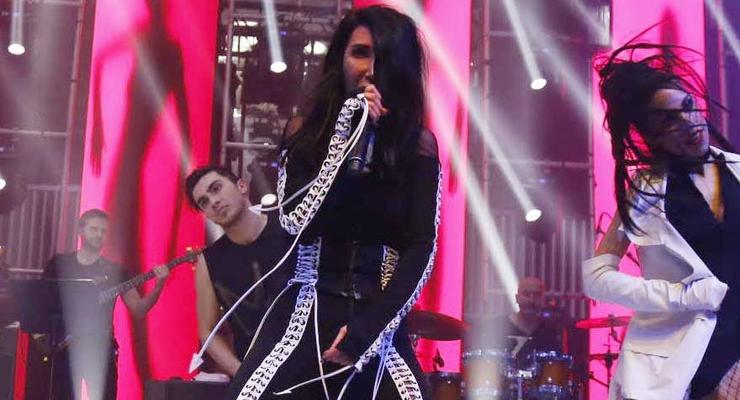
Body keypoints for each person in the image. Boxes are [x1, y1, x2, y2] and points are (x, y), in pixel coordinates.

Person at [220, 5, 441, 399]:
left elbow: (421, 247)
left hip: (375, 322)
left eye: (383, 56)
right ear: (340, 57)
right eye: (360, 53)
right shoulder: (304, 131)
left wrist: (368, 330)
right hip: (303, 312)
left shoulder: (417, 145)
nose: (370, 69)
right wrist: (346, 142)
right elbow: (296, 221)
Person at [583, 41, 740, 400]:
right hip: (686, 356)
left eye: (688, 108)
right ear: (651, 136)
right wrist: (682, 296)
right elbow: (596, 279)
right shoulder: (645, 191)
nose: (689, 124)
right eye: (670, 120)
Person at [43, 208, 169, 400]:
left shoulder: (116, 271)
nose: (99, 235)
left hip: (100, 349)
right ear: (81, 230)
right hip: (63, 346)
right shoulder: (59, 264)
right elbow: (42, 302)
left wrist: (159, 286)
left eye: (103, 231)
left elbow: (139, 310)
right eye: (94, 229)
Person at [186, 165, 292, 378]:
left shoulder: (288, 229)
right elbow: (208, 332)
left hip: (313, 359)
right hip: (259, 374)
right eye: (204, 202)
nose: (213, 201)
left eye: (216, 188)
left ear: (242, 186)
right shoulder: (210, 261)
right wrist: (244, 375)